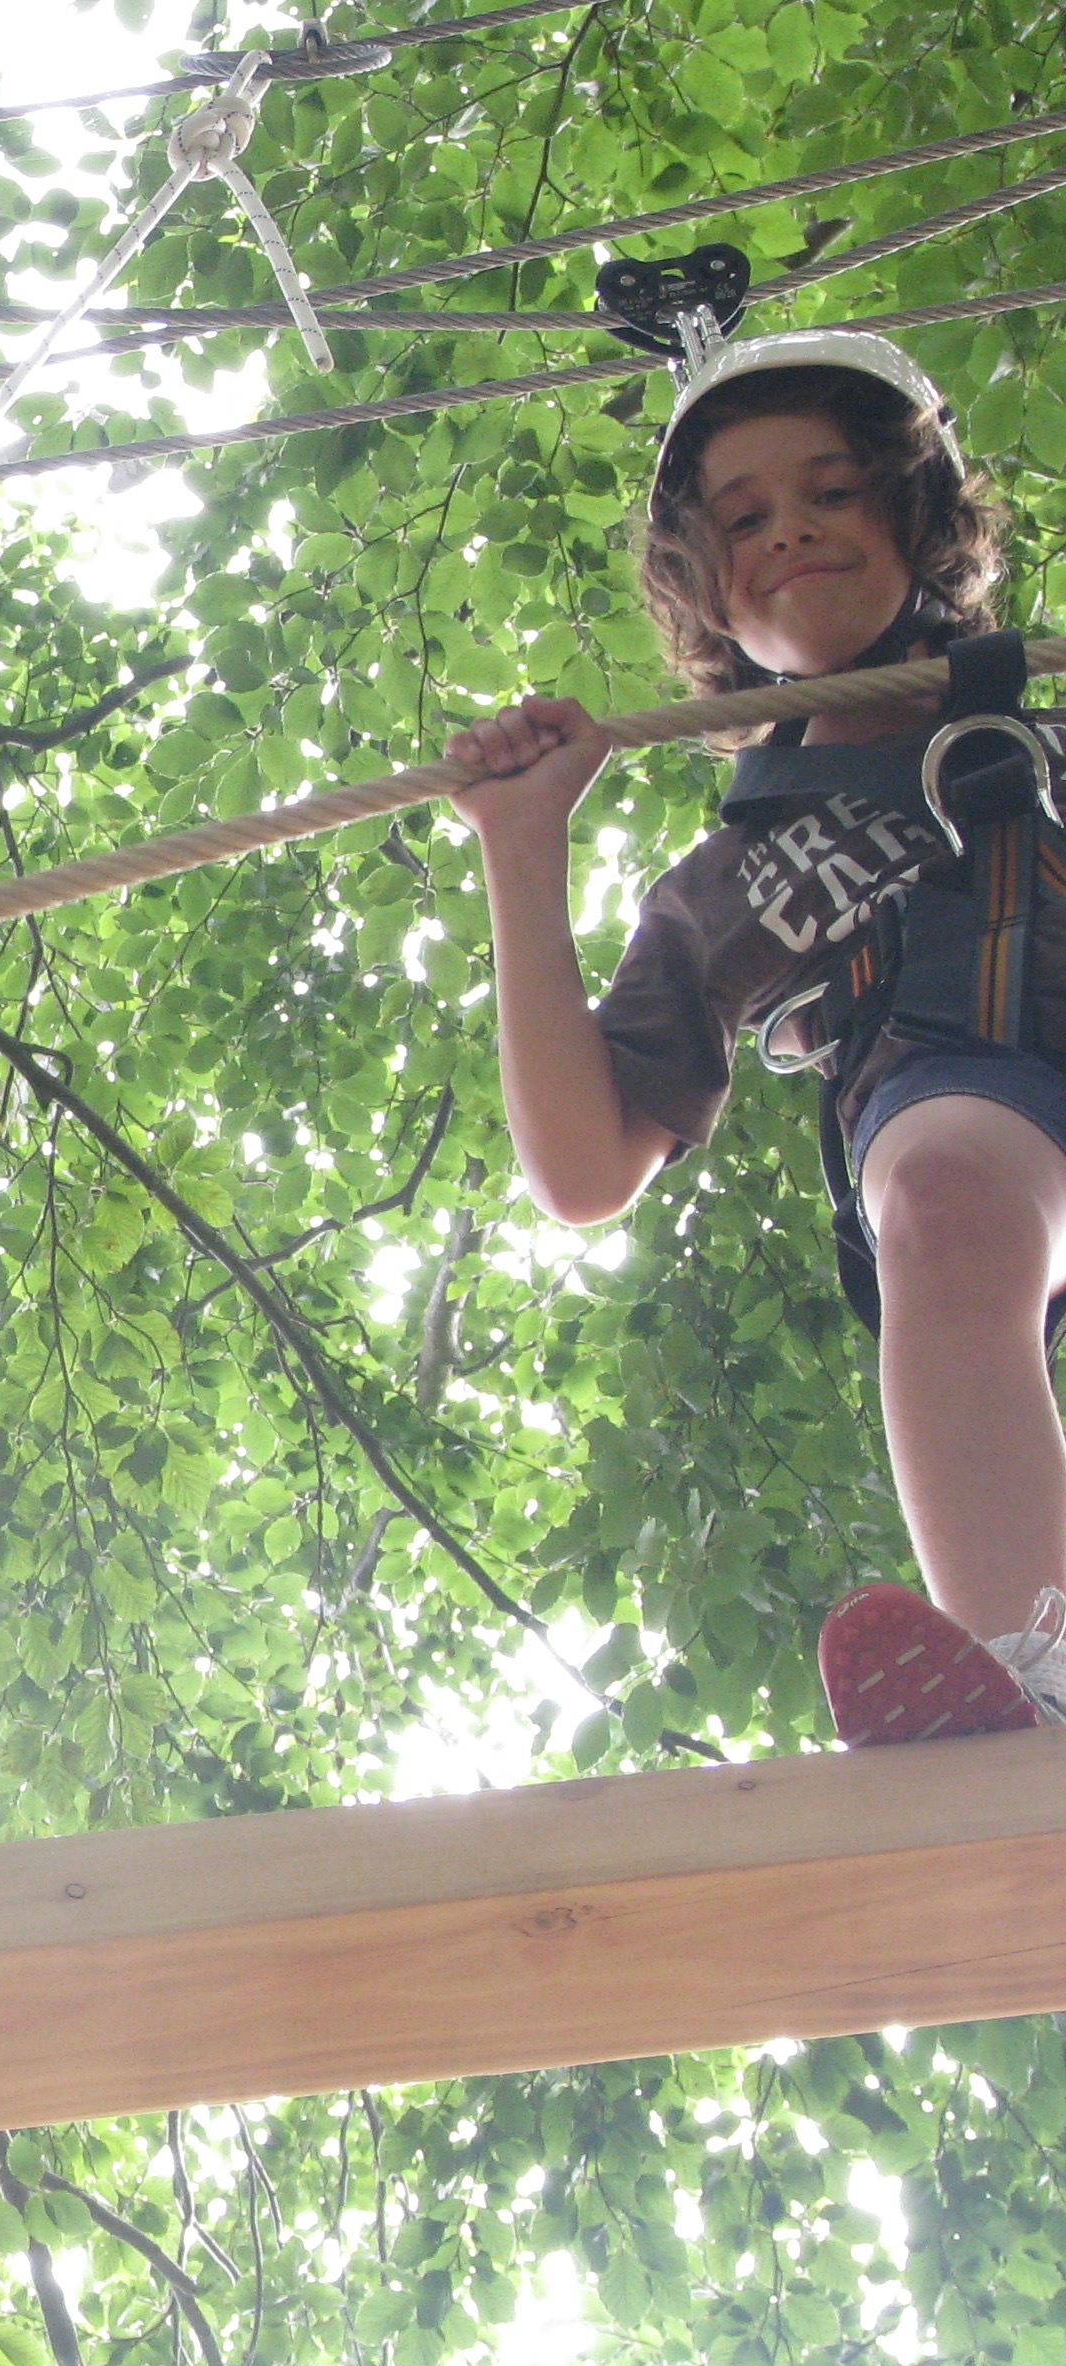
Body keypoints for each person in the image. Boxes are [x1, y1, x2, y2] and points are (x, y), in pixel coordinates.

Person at [442, 322, 1066, 1743]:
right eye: (743, 519)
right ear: (708, 589)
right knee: (942, 1199)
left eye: (832, 491)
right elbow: (588, 1168)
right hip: (982, 1103)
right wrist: (520, 850)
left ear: (915, 519)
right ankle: (1033, 1682)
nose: (789, 531)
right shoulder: (745, 880)